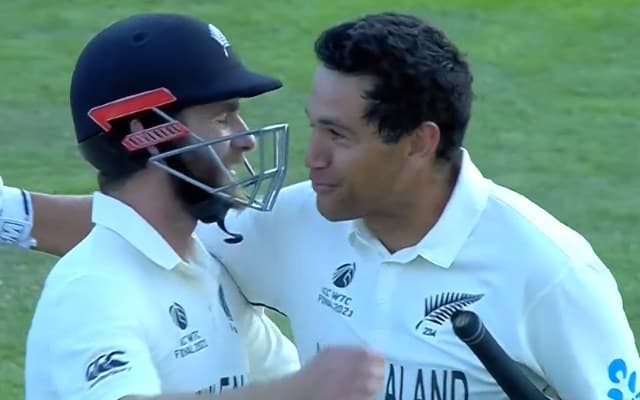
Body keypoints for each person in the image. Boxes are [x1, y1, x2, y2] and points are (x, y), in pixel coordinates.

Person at [1, 11, 638, 400]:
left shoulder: (551, 272)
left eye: (337, 136)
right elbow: (140, 230)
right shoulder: (296, 221)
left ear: (418, 143)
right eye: (313, 128)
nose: (310, 158)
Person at [11, 12, 385, 400]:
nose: (246, 141)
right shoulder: (92, 287)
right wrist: (298, 391)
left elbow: (284, 377)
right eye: (222, 118)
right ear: (147, 136)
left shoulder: (201, 266)